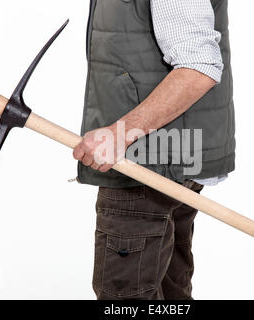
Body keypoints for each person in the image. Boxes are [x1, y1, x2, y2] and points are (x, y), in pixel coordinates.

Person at [73, 0, 235, 300]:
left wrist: (120, 134)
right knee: (170, 296)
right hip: (162, 157)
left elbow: (198, 65)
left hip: (144, 166)